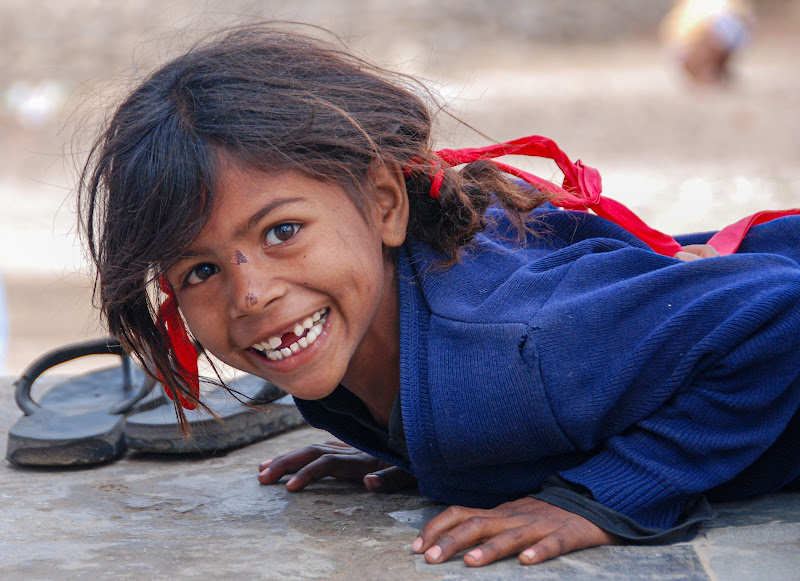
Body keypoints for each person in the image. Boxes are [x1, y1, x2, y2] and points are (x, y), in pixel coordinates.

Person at [77, 23, 800, 567]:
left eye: (283, 230)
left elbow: (782, 315)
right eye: (201, 272)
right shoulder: (353, 345)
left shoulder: (514, 348)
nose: (252, 294)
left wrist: (609, 492)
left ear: (387, 202)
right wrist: (440, 450)